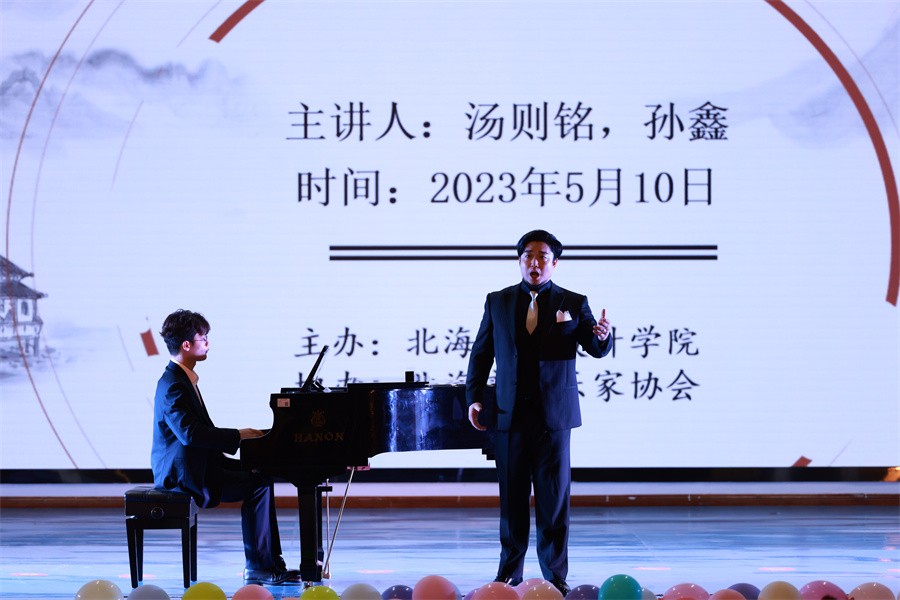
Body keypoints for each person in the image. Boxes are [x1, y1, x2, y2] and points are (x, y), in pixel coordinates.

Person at [466, 230, 612, 597]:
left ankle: (555, 576)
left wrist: (603, 337)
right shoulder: (497, 301)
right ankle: (508, 573)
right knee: (512, 501)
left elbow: (594, 347)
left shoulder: (573, 302)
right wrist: (474, 397)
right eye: (528, 255)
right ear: (519, 261)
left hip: (554, 419)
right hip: (509, 415)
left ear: (554, 263)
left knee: (554, 502)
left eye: (542, 256)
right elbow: (481, 353)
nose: (535, 262)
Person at [150, 309, 299, 585]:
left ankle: (271, 562)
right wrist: (239, 435)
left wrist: (244, 438)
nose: (208, 343)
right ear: (186, 345)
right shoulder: (173, 384)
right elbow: (190, 434)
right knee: (257, 485)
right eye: (203, 338)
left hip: (199, 465)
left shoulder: (183, 379)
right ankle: (258, 567)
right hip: (183, 476)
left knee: (262, 475)